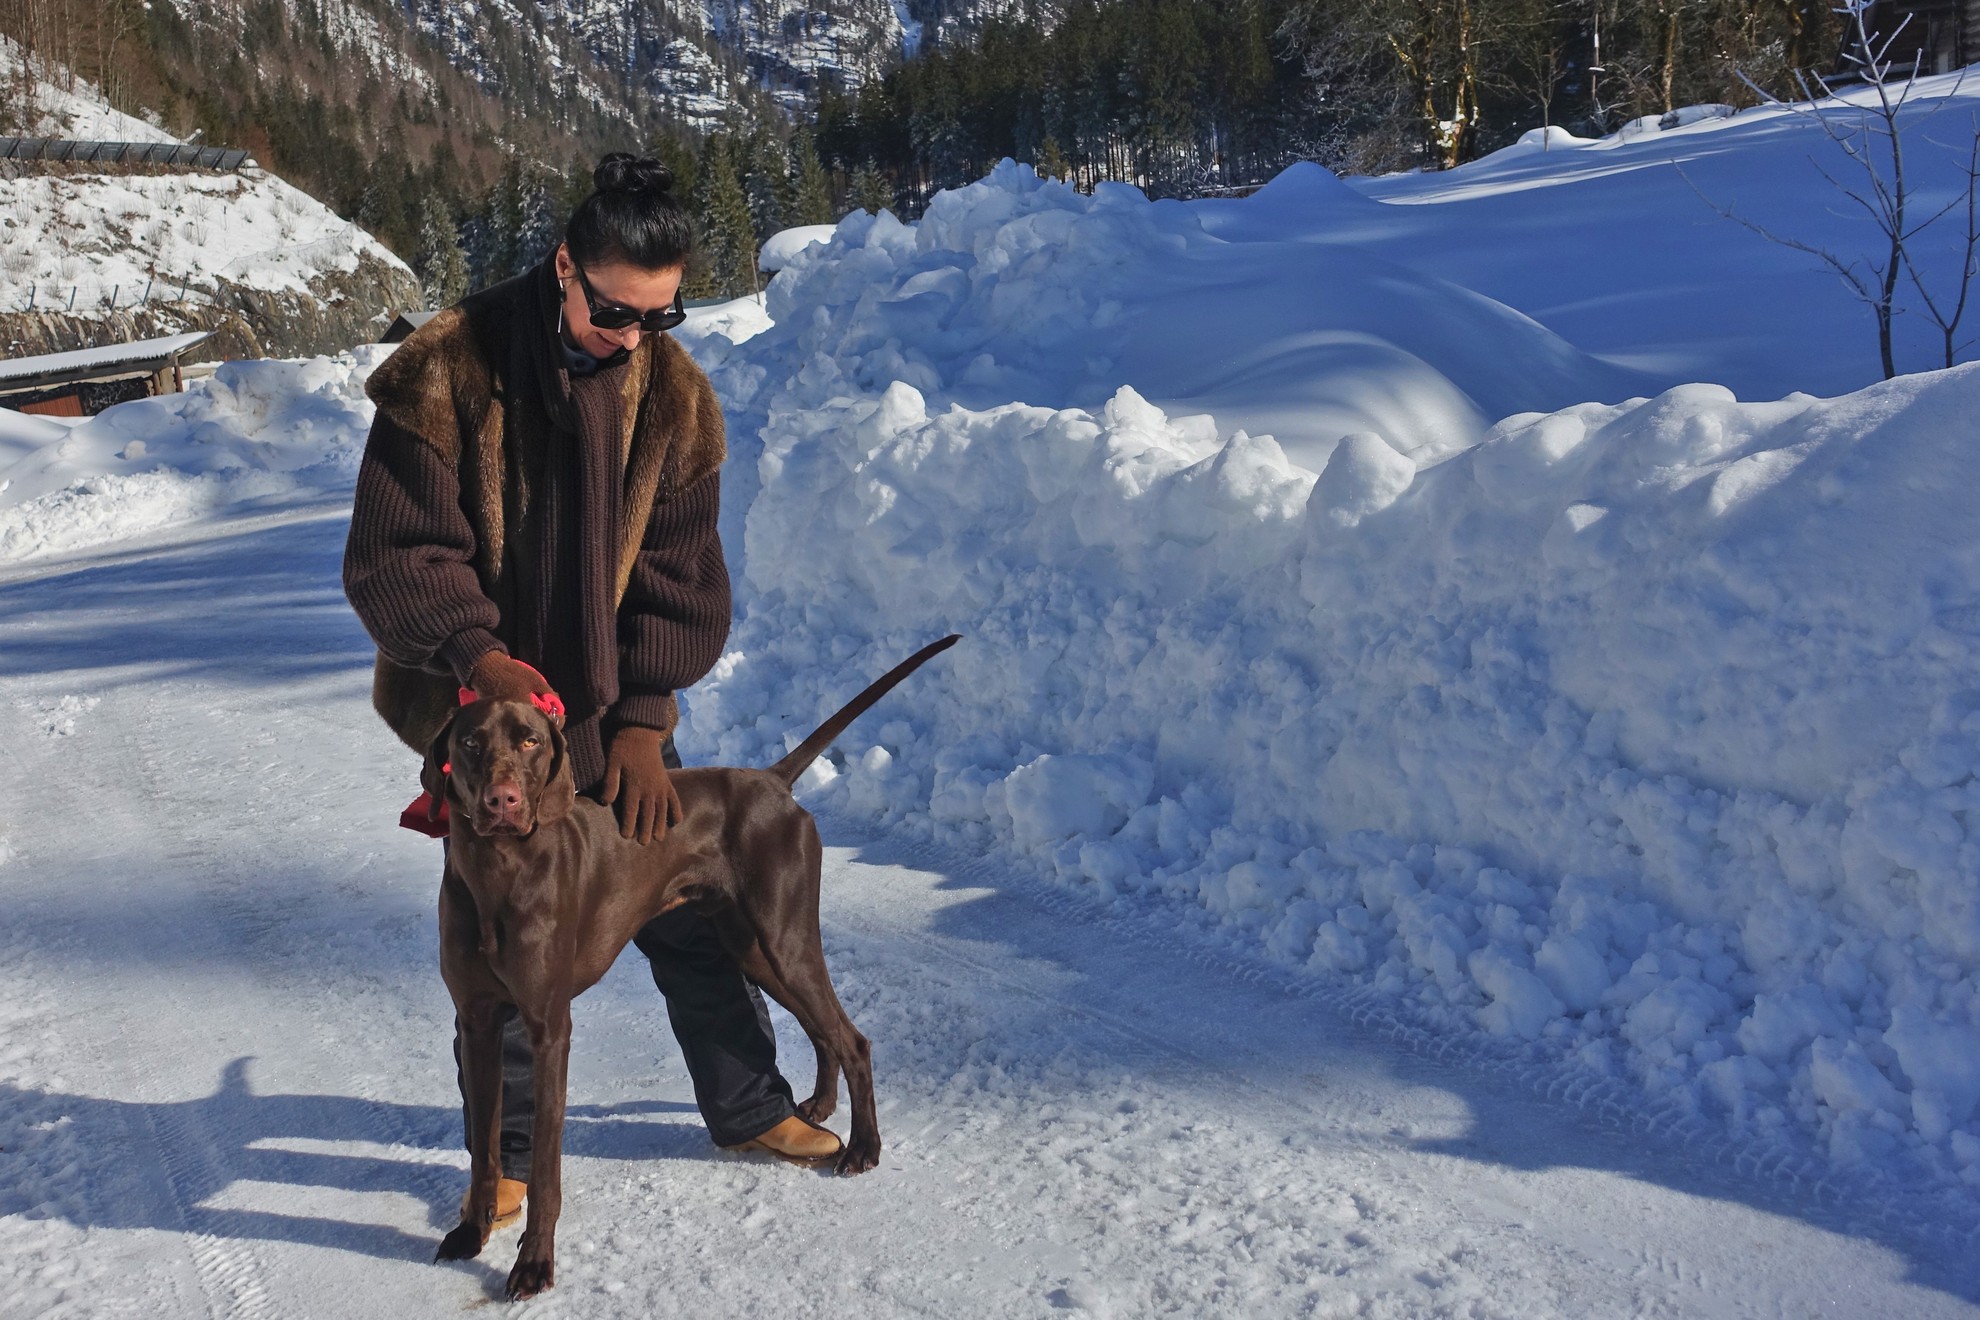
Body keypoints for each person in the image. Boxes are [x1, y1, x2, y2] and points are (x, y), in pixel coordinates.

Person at [343, 153, 840, 1226]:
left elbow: (680, 578)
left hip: (608, 713)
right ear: (565, 267)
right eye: (617, 310)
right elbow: (394, 556)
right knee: (511, 923)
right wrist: (480, 662)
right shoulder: (450, 366)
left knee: (683, 900)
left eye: (663, 317)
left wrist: (648, 720)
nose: (636, 337)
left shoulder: (676, 398)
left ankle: (748, 1104)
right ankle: (508, 1157)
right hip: (485, 719)